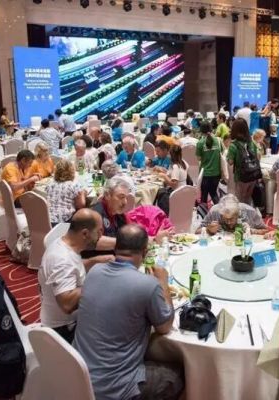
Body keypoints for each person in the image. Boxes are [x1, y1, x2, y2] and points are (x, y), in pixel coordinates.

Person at [73, 224, 183, 400]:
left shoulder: (94, 272)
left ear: (116, 248)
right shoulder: (147, 284)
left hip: (78, 378)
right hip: (115, 388)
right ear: (145, 252)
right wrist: (163, 281)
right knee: (178, 374)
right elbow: (165, 327)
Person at [39, 209, 113, 343]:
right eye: (99, 231)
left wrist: (94, 261)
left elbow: (73, 268)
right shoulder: (61, 260)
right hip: (64, 331)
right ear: (85, 233)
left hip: (69, 322)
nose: (101, 236)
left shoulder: (65, 243)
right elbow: (67, 304)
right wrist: (100, 279)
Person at [226, 118, 261, 204]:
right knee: (248, 198)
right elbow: (258, 156)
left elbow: (230, 162)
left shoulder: (234, 145)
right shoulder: (251, 143)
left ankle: (242, 212)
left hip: (241, 176)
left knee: (240, 199)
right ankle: (248, 211)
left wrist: (227, 157)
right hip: (253, 174)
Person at [198, 194, 268, 235]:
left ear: (237, 214)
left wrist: (252, 231)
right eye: (225, 219)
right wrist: (208, 230)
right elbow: (197, 231)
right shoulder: (214, 211)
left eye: (231, 219)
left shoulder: (249, 211)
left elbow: (266, 231)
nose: (228, 222)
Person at [45, 160, 87, 226]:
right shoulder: (74, 185)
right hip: (64, 222)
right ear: (72, 171)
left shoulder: (50, 184)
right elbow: (81, 205)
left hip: (48, 220)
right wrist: (83, 194)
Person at [196, 121, 223, 205]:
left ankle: (203, 212)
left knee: (204, 196)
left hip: (205, 174)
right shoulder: (218, 140)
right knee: (213, 193)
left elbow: (199, 158)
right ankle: (220, 210)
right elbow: (222, 153)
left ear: (201, 131)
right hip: (217, 173)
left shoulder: (200, 143)